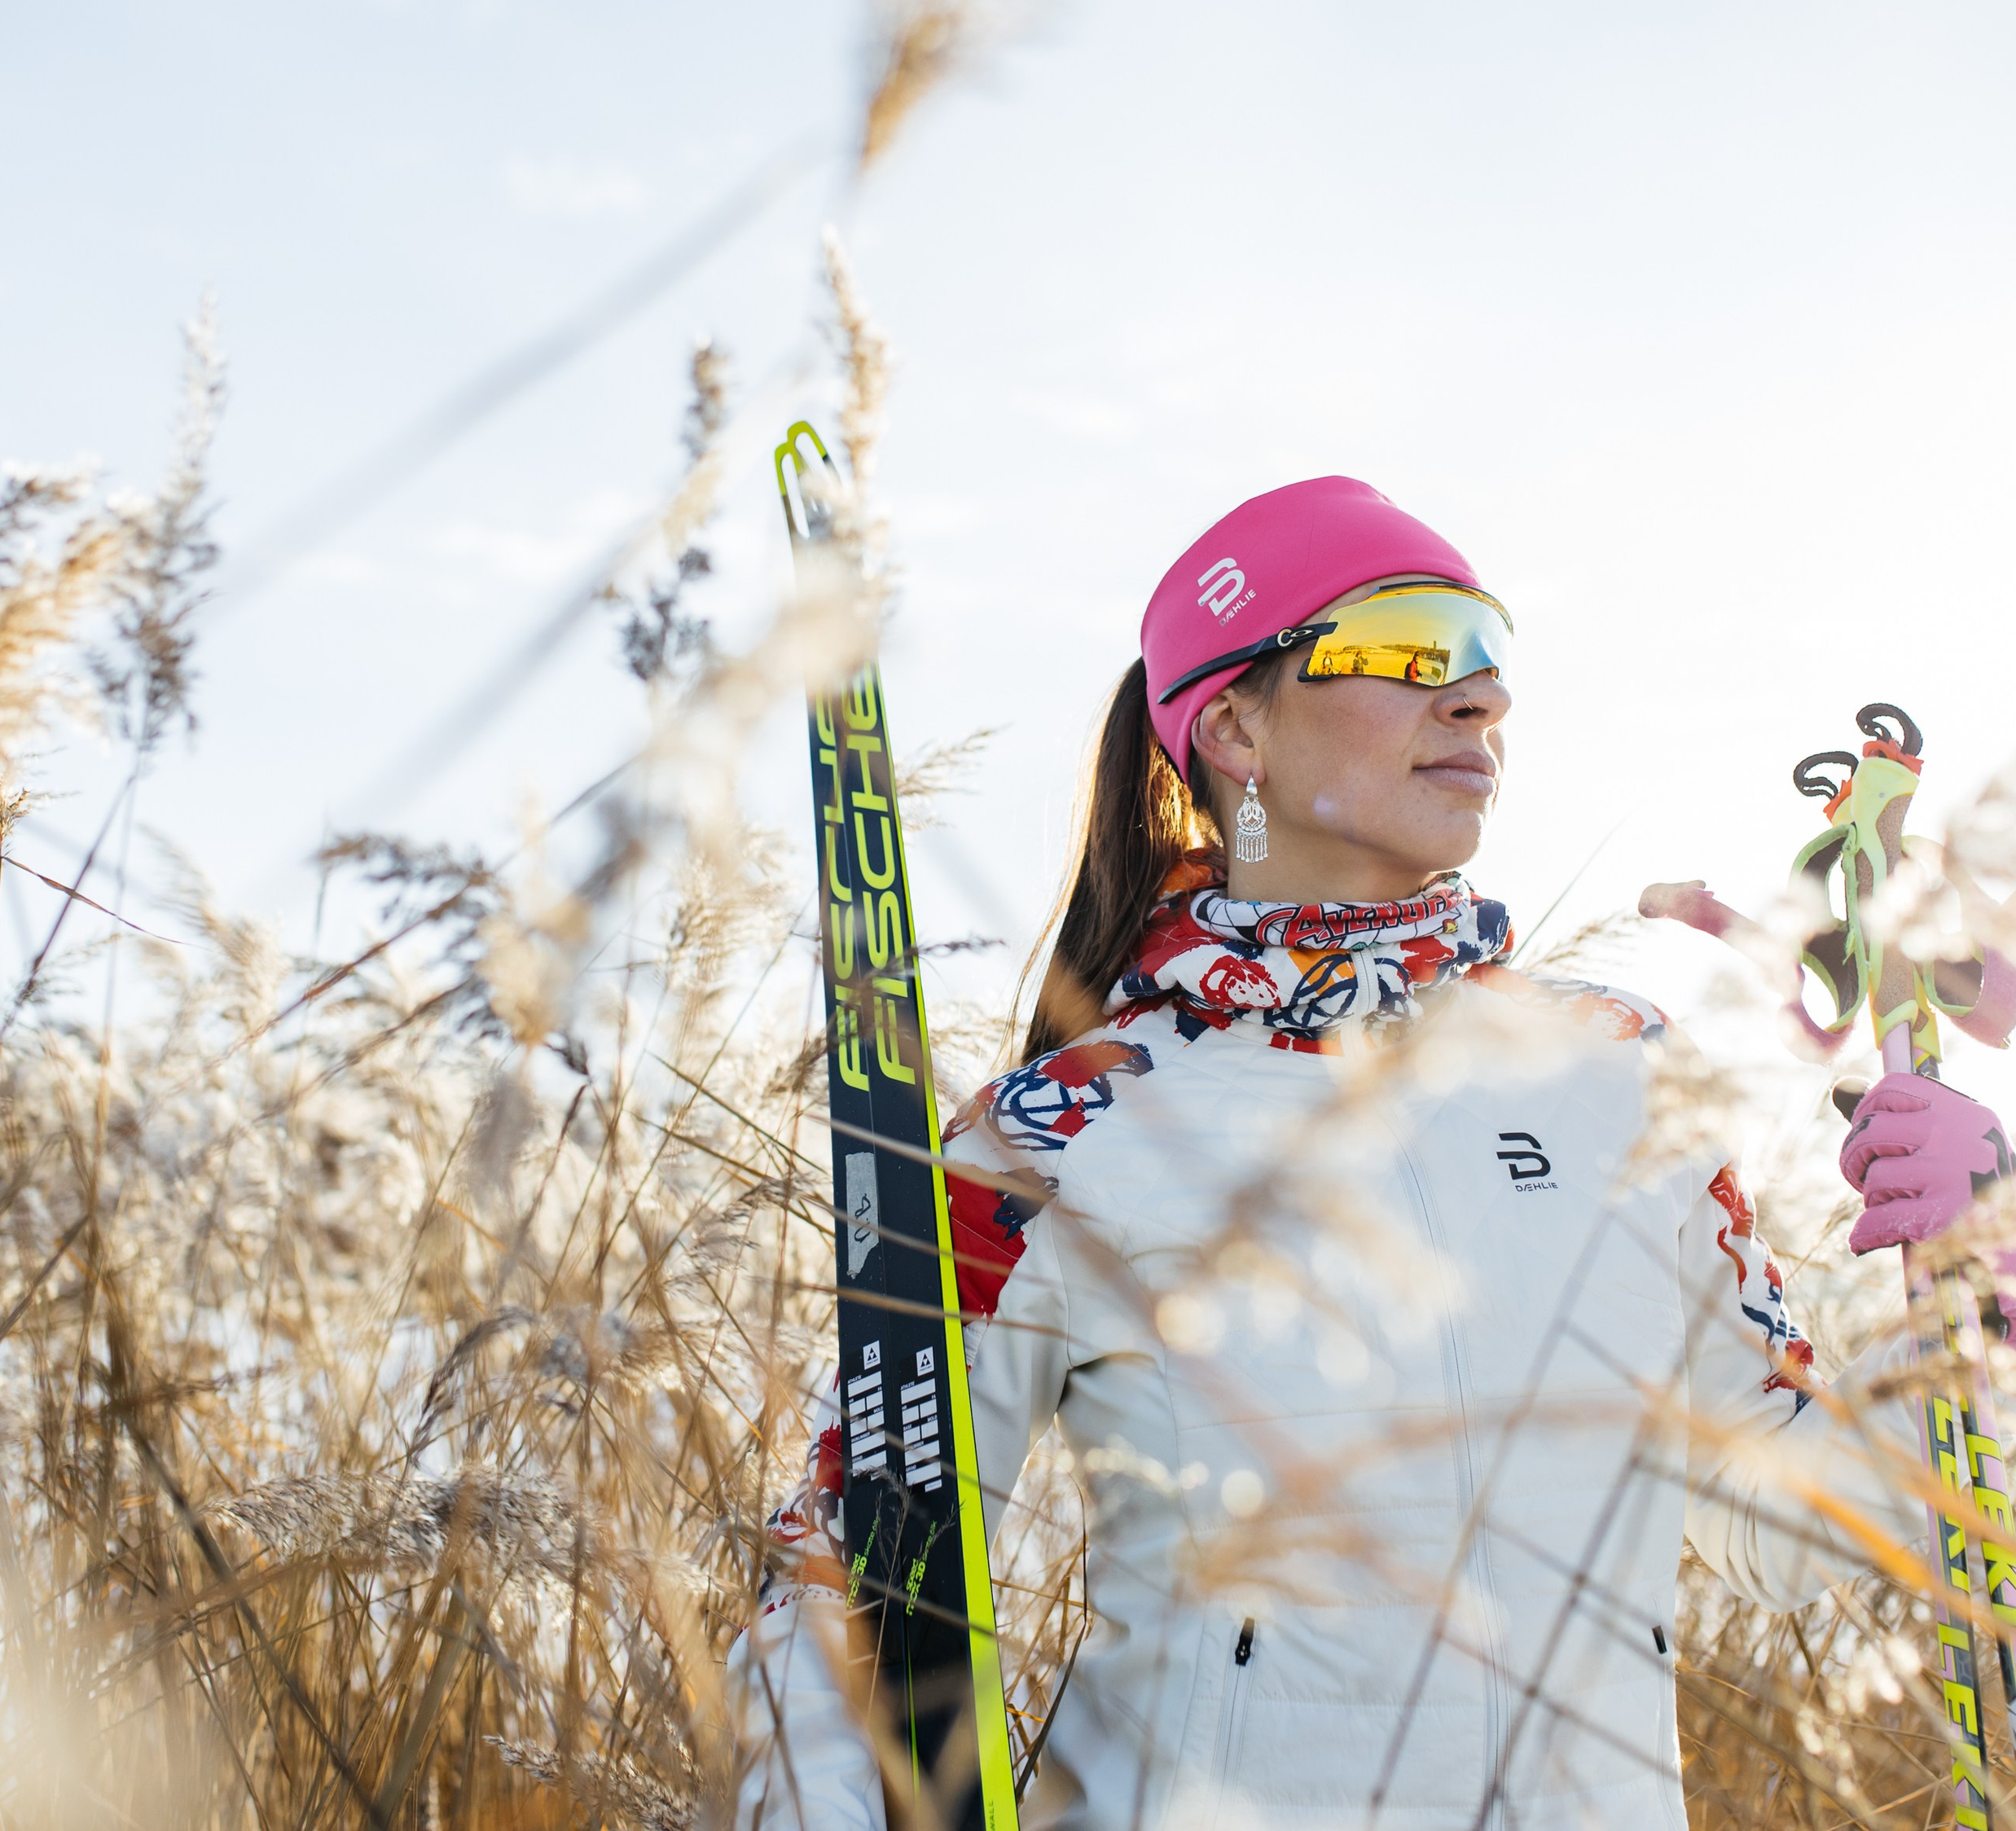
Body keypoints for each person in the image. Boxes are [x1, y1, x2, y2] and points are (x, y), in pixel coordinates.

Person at [729, 475, 2005, 1831]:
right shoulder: (1059, 1135)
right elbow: (846, 1582)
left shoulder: (1620, 1067)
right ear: (1232, 723)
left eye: (1487, 654)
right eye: (1409, 647)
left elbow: (1782, 1520)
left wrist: (1982, 1291)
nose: (1478, 699)